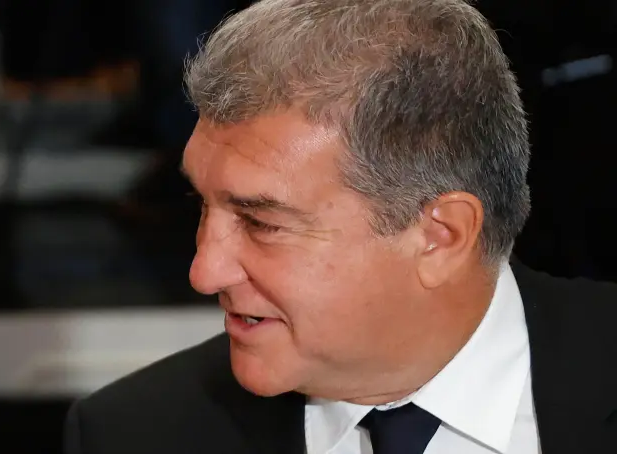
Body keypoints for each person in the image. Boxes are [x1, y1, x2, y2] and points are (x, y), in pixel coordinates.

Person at [64, 0, 617, 453]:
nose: (204, 272)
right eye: (201, 204)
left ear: (441, 236)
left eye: (261, 222)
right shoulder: (132, 434)